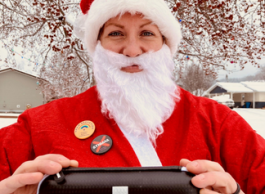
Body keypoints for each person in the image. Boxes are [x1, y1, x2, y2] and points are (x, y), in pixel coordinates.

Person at [0, 0, 264, 193]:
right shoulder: (40, 123)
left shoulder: (217, 122)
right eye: (116, 33)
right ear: (98, 46)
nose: (132, 50)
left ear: (165, 44)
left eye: (147, 33)